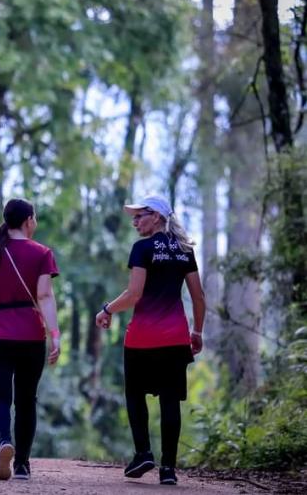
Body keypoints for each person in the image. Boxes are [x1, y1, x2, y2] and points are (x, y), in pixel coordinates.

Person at [95, 194, 205, 486]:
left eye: (139, 215)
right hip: (175, 338)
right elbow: (198, 297)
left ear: (156, 217)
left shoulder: (142, 249)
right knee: (170, 401)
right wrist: (197, 332)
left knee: (134, 395)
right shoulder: (185, 251)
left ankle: (143, 452)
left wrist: (106, 309)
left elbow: (134, 294)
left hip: (142, 338)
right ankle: (168, 469)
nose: (134, 221)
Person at [0, 198, 61, 481]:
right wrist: (54, 335)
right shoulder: (42, 253)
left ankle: (3, 444)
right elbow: (44, 296)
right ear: (28, 220)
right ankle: (21, 464)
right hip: (31, 335)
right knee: (26, 401)